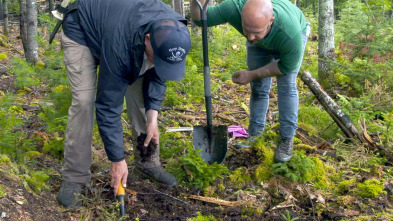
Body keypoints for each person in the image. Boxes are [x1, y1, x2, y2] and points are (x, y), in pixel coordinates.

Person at [56, 0, 191, 208]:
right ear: (147, 40)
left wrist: (152, 118)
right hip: (82, 28)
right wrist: (117, 160)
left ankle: (147, 162)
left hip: (121, 29)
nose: (159, 63)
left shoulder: (172, 32)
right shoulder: (121, 45)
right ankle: (74, 176)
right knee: (84, 101)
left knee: (142, 94)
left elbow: (159, 74)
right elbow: (108, 106)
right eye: (158, 57)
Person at [191, 0, 310, 162]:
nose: (250, 37)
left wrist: (251, 74)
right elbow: (201, 19)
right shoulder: (233, 8)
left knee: (286, 86)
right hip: (264, 42)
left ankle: (286, 140)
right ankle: (255, 135)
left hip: (286, 37)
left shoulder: (291, 33)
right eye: (247, 30)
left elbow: (285, 68)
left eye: (256, 32)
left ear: (271, 21)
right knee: (259, 88)